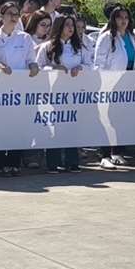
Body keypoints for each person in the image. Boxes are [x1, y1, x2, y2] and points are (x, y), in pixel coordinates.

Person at [0, 1, 39, 175]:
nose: (13, 17)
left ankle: (14, 162)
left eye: (16, 14)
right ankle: (0, 163)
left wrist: (34, 66)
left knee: (17, 126)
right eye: (10, 14)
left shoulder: (25, 38)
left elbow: (30, 59)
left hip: (19, 89)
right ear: (2, 16)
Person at [93, 4, 135, 169]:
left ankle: (116, 152)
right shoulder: (106, 37)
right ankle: (104, 155)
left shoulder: (132, 37)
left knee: (121, 119)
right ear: (113, 19)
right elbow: (98, 62)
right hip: (110, 83)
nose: (123, 21)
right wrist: (104, 82)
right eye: (119, 17)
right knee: (107, 119)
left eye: (126, 18)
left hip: (128, 83)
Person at [35, 14, 88, 172]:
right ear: (59, 27)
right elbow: (38, 67)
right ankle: (53, 162)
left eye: (72, 25)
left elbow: (90, 64)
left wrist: (80, 68)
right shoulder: (47, 47)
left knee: (72, 126)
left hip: (75, 93)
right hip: (54, 94)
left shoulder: (79, 47)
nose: (71, 28)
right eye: (67, 25)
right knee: (55, 126)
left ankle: (72, 161)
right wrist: (54, 68)